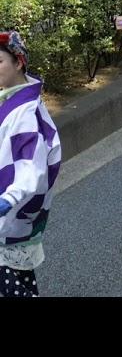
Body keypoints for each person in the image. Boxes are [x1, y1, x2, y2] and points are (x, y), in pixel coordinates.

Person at [0, 31, 61, 297]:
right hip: (17, 208)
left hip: (11, 204)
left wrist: (8, 199)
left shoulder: (24, 112)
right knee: (17, 270)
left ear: (18, 62)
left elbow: (30, 165)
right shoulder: (18, 98)